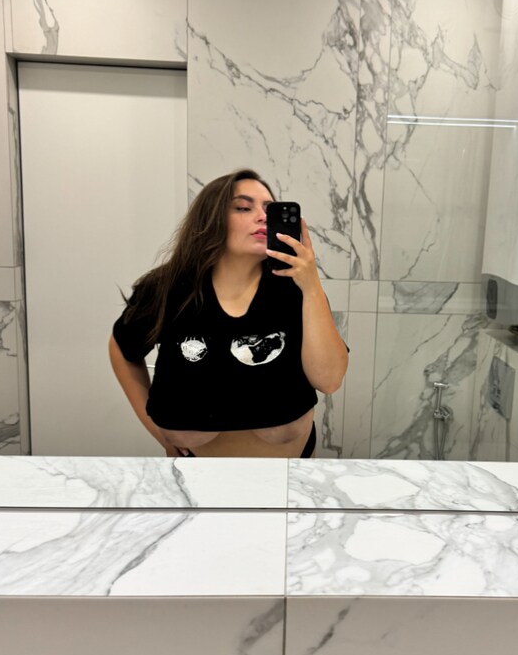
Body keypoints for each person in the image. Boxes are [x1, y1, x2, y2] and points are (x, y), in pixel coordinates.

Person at [108, 168, 348, 458]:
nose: (262, 216)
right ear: (210, 219)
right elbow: (122, 349)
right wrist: (158, 433)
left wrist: (312, 286)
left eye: (269, 209)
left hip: (290, 475)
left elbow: (329, 380)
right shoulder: (167, 288)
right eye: (244, 207)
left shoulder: (294, 288)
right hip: (192, 477)